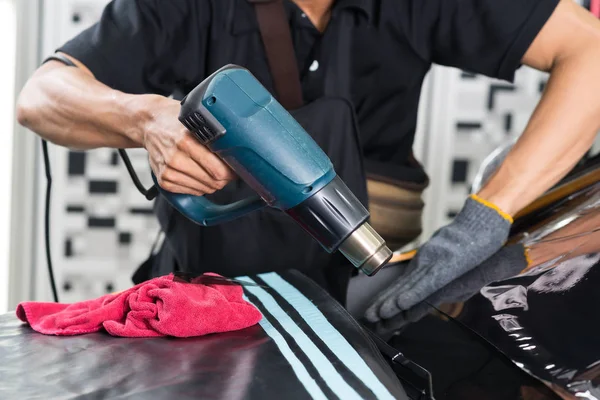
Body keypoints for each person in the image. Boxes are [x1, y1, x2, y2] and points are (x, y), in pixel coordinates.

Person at [15, 0, 600, 320]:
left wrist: (486, 216)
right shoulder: (183, 8)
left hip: (369, 298)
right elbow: (40, 96)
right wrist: (143, 119)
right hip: (209, 295)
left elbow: (590, 50)